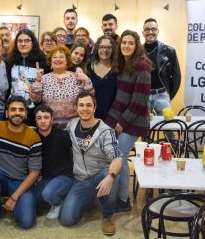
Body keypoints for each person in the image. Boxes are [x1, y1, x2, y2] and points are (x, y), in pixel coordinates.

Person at [60, 91, 122, 236]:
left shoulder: (106, 131)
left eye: (89, 105)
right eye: (81, 105)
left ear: (94, 108)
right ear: (76, 108)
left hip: (99, 175)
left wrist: (110, 176)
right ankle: (93, 198)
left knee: (115, 174)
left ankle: (107, 215)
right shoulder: (71, 125)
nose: (84, 109)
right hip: (80, 180)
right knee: (67, 219)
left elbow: (118, 158)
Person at [105, 30, 151, 211]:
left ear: (136, 45)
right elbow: (120, 97)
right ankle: (115, 195)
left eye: (131, 43)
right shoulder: (123, 64)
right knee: (116, 156)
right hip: (119, 117)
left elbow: (139, 101)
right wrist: (111, 119)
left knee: (121, 157)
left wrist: (122, 122)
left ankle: (123, 200)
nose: (126, 46)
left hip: (134, 121)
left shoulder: (142, 66)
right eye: (124, 42)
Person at [0, 96, 42, 229]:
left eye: (21, 110)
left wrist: (15, 197)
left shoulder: (33, 137)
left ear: (26, 113)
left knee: (26, 222)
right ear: (6, 113)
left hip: (20, 182)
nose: (17, 113)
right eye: (13, 109)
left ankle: (17, 203)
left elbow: (34, 173)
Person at [31, 45, 93, 128]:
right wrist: (38, 80)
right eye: (54, 57)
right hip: (50, 126)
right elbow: (36, 99)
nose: (58, 59)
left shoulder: (77, 76)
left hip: (74, 126)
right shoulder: (44, 78)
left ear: (67, 60)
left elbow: (90, 96)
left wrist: (86, 80)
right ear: (50, 61)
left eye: (61, 57)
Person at [33, 104, 73, 219]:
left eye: (46, 117)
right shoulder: (33, 135)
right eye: (39, 118)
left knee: (48, 194)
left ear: (52, 119)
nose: (43, 121)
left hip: (64, 176)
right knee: (32, 202)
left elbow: (75, 154)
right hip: (45, 178)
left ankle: (57, 203)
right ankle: (53, 196)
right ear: (35, 120)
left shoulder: (63, 135)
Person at [7, 29, 48, 126]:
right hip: (14, 109)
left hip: (34, 110)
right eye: (20, 41)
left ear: (33, 42)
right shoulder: (9, 61)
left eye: (27, 41)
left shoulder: (43, 62)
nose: (23, 44)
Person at [142, 18, 181, 115]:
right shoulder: (137, 52)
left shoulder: (169, 51)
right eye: (147, 29)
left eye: (153, 29)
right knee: (143, 128)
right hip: (143, 96)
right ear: (143, 32)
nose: (150, 32)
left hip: (162, 96)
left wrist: (168, 95)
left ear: (158, 31)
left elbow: (176, 77)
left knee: (169, 127)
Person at [86, 35, 117, 121]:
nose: (105, 50)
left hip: (112, 117)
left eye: (108, 47)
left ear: (113, 49)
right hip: (91, 116)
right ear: (97, 48)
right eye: (101, 47)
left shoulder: (118, 69)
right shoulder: (88, 66)